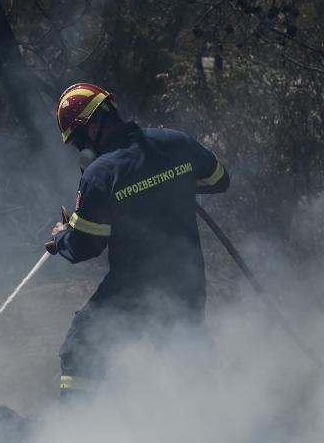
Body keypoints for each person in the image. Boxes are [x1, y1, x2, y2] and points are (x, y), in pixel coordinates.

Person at [46, 83, 230, 400]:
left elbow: (85, 246)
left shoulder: (100, 174)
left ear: (91, 128)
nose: (80, 151)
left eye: (77, 141)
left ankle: (75, 437)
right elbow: (218, 180)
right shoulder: (174, 140)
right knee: (190, 364)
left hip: (133, 290)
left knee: (80, 352)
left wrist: (62, 235)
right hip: (187, 282)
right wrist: (171, 184)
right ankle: (223, 434)